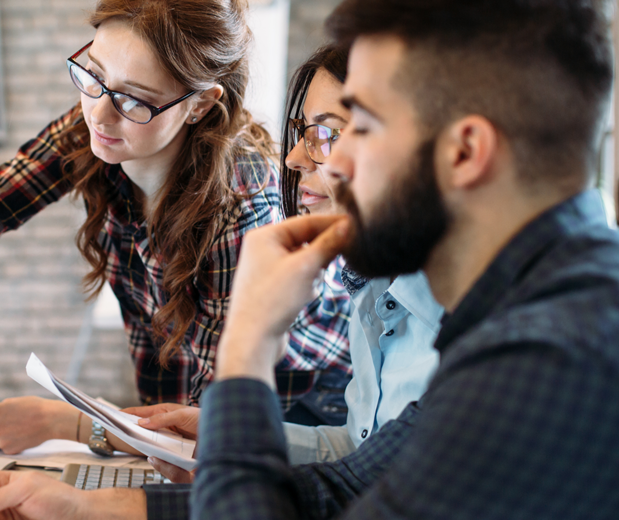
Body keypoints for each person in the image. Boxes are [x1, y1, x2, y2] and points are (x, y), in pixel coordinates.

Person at [0, 0, 619, 518]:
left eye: (356, 126)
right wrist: (92, 506)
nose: (325, 165)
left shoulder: (554, 360)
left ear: (464, 150)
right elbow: (336, 495)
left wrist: (248, 352)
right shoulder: (567, 294)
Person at [0, 0, 351, 454]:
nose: (98, 112)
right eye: (92, 73)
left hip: (302, 411)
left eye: (135, 99)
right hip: (181, 405)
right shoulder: (101, 118)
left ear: (199, 105)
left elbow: (199, 425)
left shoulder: (241, 202)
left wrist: (68, 424)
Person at [124, 44, 443, 483]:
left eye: (328, 135)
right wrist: (231, 437)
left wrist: (250, 341)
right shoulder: (372, 290)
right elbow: (359, 455)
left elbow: (388, 494)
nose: (292, 159)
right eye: (304, 130)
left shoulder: (469, 338)